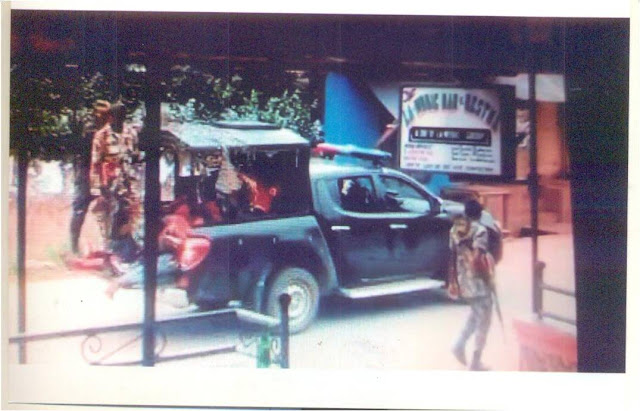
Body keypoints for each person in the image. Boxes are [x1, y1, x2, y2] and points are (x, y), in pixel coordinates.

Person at [449, 199, 495, 371]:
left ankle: (459, 345)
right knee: (484, 321)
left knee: (476, 315)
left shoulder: (455, 229)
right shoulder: (480, 231)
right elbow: (477, 260)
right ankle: (476, 360)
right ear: (480, 214)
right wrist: (488, 277)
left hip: (463, 279)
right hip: (478, 282)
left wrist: (453, 281)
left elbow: (452, 256)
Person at [69, 100, 111, 255]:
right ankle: (73, 246)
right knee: (79, 210)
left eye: (104, 114)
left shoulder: (111, 132)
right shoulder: (88, 131)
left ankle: (109, 246)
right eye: (98, 113)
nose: (100, 117)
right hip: (86, 174)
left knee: (109, 212)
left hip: (105, 175)